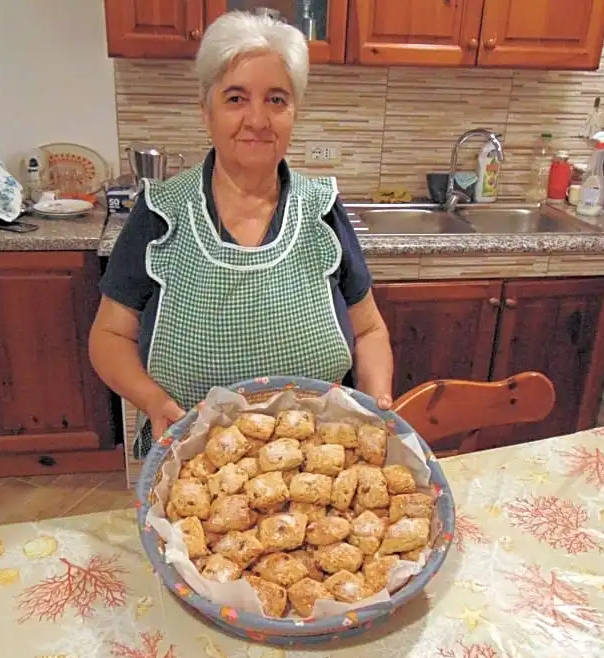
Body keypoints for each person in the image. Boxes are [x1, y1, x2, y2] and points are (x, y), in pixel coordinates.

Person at [89, 9, 393, 459]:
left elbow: (368, 330)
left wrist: (377, 402)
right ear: (206, 111)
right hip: (194, 462)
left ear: (294, 112)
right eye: (236, 98)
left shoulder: (322, 210)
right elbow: (109, 337)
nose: (257, 119)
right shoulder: (161, 213)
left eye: (276, 99)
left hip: (317, 460)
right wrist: (152, 401)